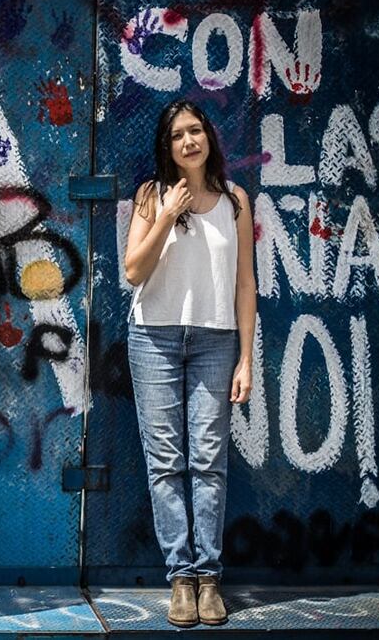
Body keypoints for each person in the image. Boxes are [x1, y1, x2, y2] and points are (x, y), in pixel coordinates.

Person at [124, 100, 256, 627]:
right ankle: (180, 577)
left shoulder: (235, 201)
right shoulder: (151, 196)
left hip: (216, 340)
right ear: (167, 146)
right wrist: (169, 215)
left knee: (207, 460)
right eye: (178, 135)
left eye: (196, 130)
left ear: (208, 138)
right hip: (153, 337)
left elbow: (245, 285)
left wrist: (246, 358)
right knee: (165, 462)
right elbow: (134, 270)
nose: (188, 141)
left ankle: (209, 579)